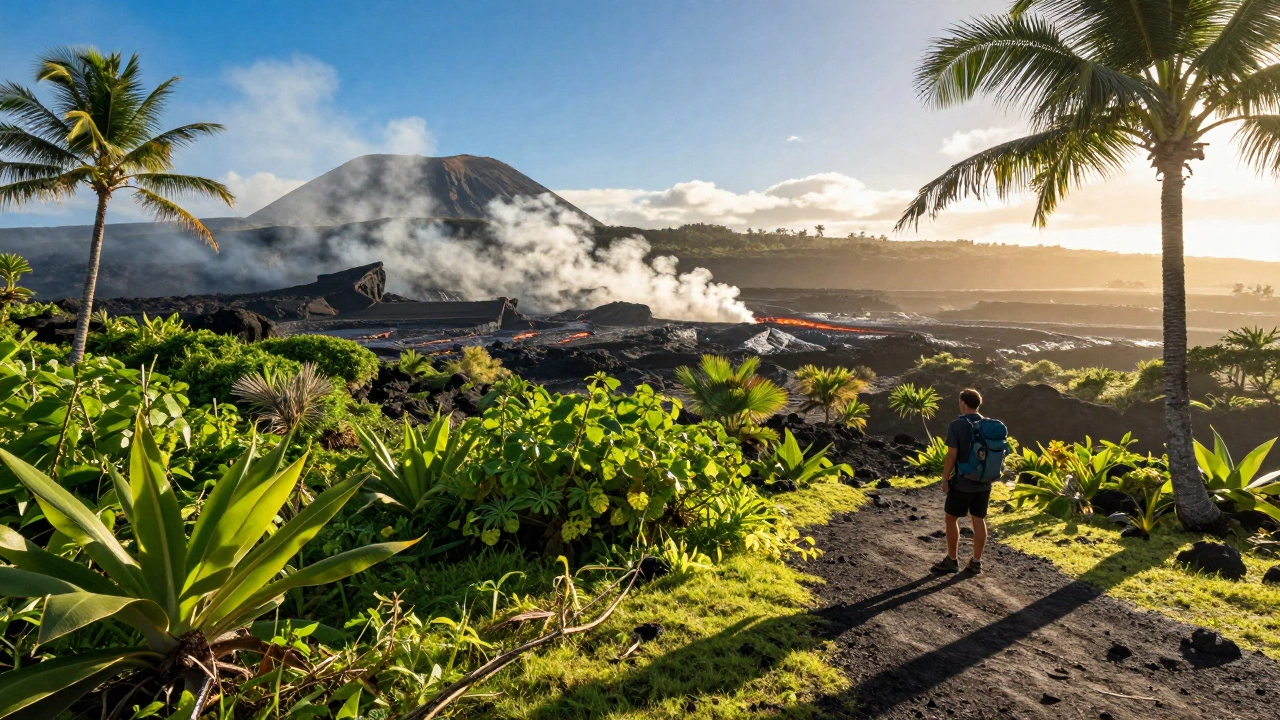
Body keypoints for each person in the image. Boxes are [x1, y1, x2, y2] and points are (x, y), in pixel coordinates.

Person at [931, 388, 990, 575]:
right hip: (984, 482)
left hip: (963, 482)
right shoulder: (989, 425)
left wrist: (945, 479)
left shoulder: (957, 425)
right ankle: (976, 562)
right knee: (978, 519)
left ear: (963, 403)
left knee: (951, 518)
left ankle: (952, 560)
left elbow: (951, 456)